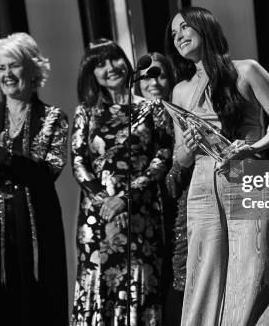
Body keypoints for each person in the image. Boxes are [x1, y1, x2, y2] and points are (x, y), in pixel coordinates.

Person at [165, 6, 269, 326]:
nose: (178, 36)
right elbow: (179, 160)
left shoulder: (247, 70)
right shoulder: (180, 90)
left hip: (247, 174)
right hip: (202, 182)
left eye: (184, 28)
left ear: (204, 27)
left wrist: (254, 147)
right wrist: (188, 146)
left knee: (251, 269)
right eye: (173, 33)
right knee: (203, 272)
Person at [0, 32, 69, 326]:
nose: (7, 74)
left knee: (36, 303)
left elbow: (50, 169)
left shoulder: (54, 118)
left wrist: (10, 160)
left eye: (13, 65)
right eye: (1, 68)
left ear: (32, 69)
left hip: (35, 224)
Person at [70, 39, 171, 325]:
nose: (110, 67)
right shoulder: (86, 112)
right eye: (99, 64)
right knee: (99, 285)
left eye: (114, 59)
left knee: (140, 285)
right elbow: (78, 162)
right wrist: (107, 202)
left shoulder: (152, 108)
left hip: (141, 213)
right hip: (97, 217)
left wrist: (124, 199)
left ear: (125, 62)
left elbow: (161, 158)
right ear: (92, 74)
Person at [136, 52, 191, 325]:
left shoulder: (181, 115)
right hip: (142, 212)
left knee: (177, 280)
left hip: (177, 208)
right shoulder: (131, 119)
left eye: (159, 74)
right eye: (145, 76)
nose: (152, 81)